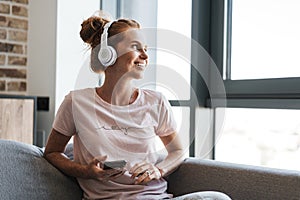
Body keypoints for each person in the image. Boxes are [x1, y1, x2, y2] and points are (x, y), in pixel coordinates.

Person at [44, 11, 231, 200]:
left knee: (217, 198)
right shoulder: (76, 102)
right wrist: (86, 171)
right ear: (108, 53)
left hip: (156, 198)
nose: (145, 55)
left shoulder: (156, 102)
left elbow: (177, 151)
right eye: (136, 47)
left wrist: (158, 170)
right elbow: (52, 152)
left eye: (146, 49)